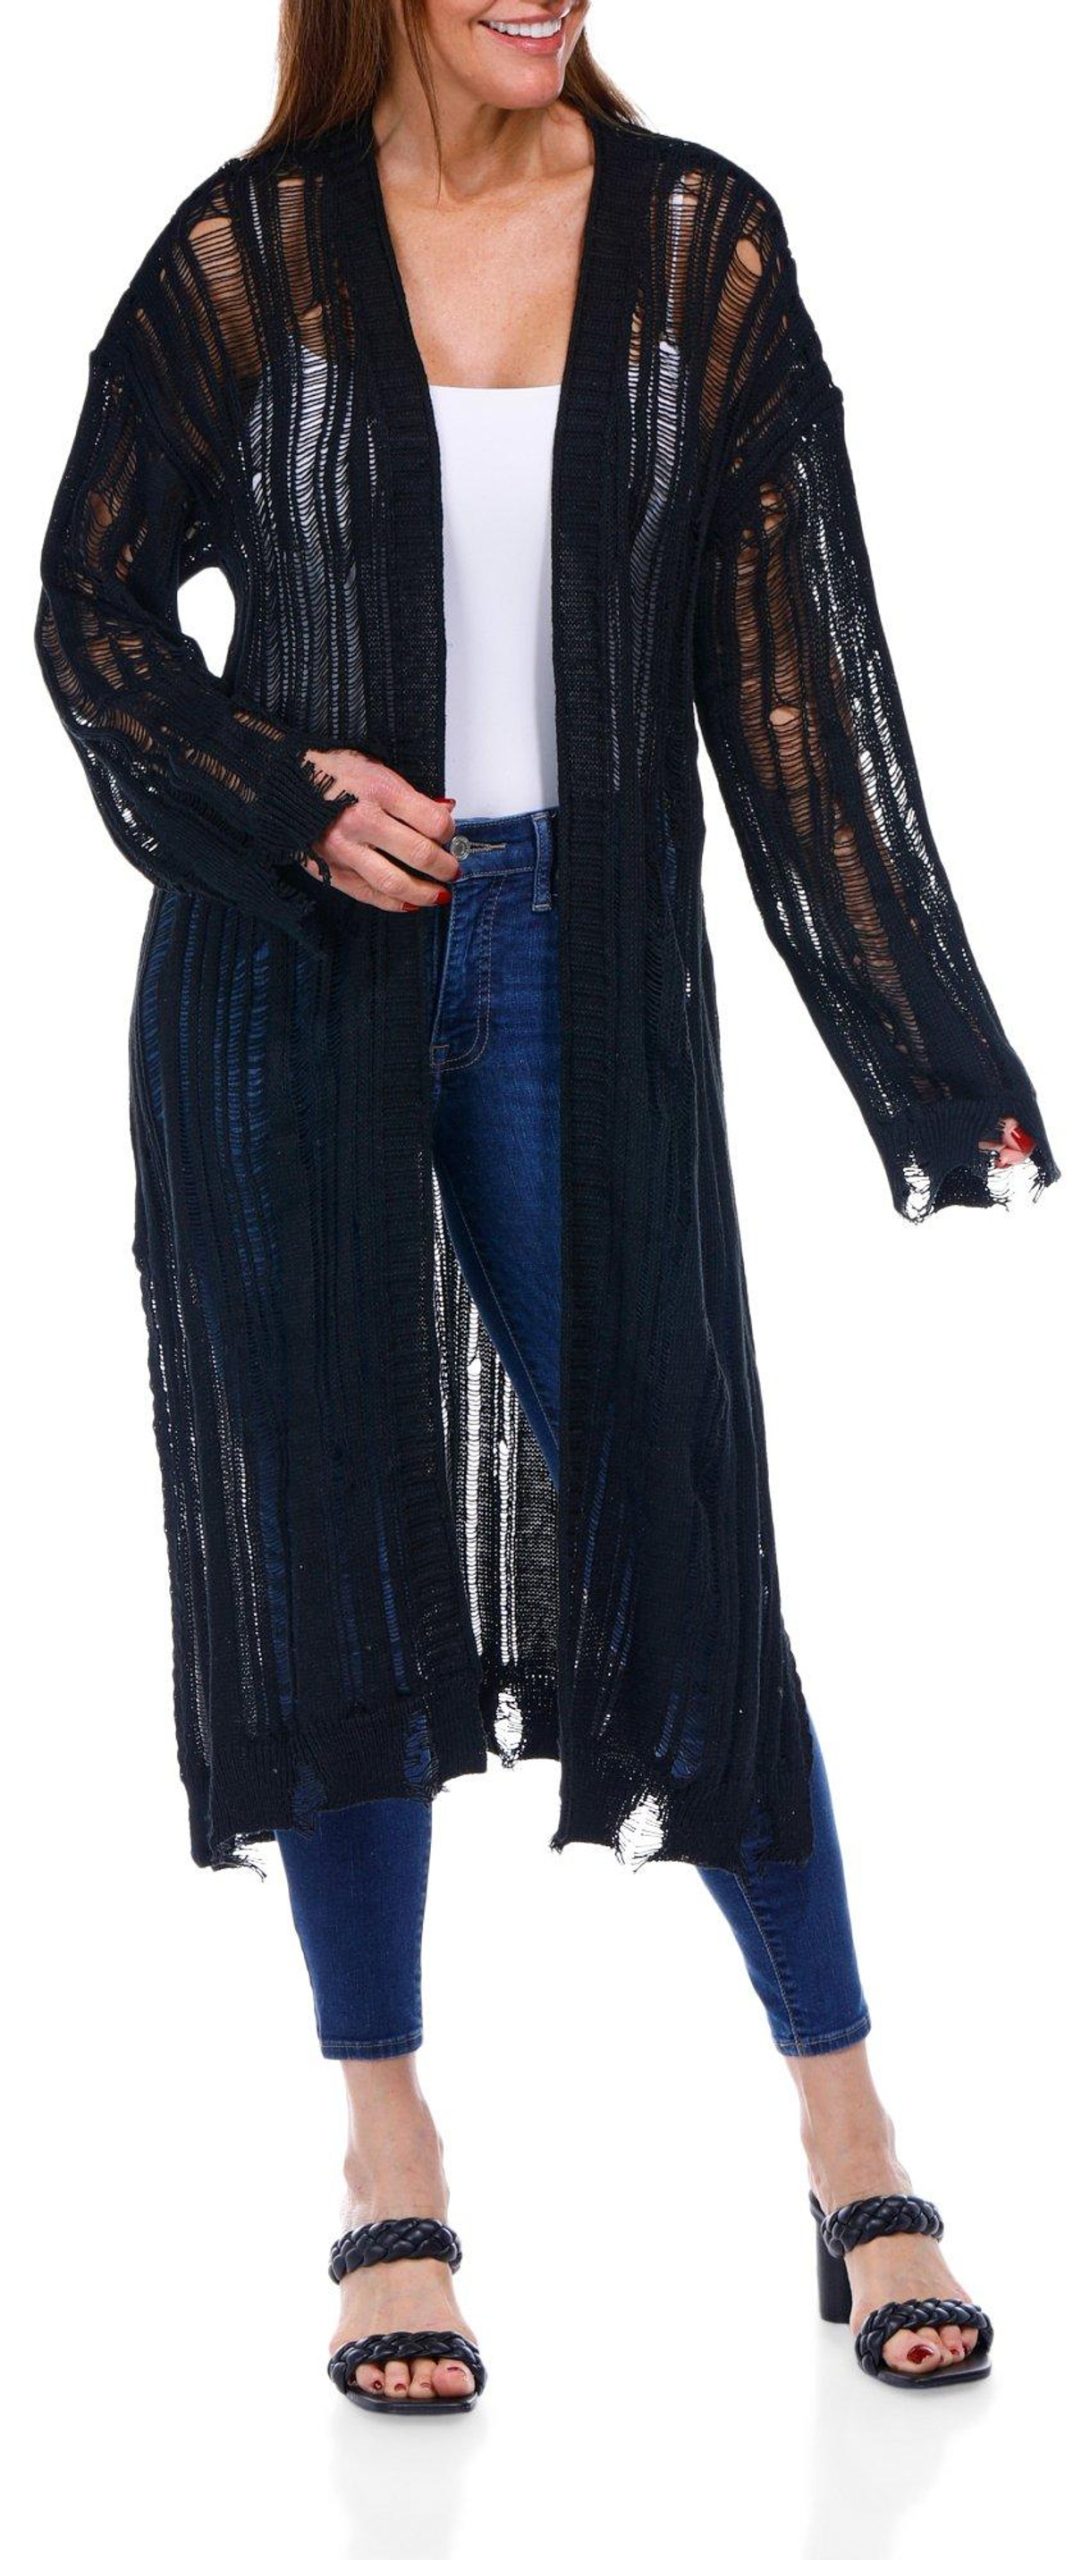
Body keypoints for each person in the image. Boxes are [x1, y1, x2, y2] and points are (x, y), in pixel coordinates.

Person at [34, 0, 1059, 2408]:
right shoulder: (247, 259)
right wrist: (283, 792)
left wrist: (930, 1040)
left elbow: (794, 682)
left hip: (578, 971)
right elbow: (91, 612)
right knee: (332, 1549)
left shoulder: (699, 247)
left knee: (679, 1529)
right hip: (283, 985)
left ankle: (851, 2132)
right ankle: (387, 2156)